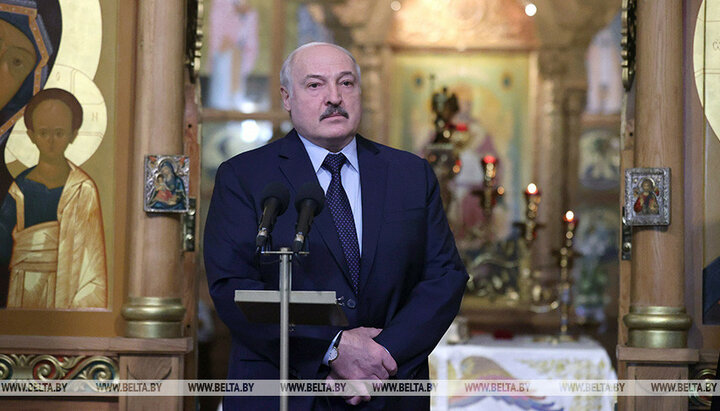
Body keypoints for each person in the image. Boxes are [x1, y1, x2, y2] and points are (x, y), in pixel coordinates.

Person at [204, 42, 468, 409]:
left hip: (388, 387)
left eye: (346, 83)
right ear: (287, 97)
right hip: (285, 387)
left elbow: (445, 277)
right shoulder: (245, 176)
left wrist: (380, 356)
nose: (334, 97)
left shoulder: (409, 174)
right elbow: (232, 287)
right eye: (315, 85)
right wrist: (333, 347)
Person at [0, 88, 107, 309]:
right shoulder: (19, 188)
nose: (50, 141)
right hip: (24, 287)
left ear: (73, 134)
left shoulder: (82, 189)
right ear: (31, 135)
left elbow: (92, 255)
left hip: (67, 285)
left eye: (59, 133)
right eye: (43, 133)